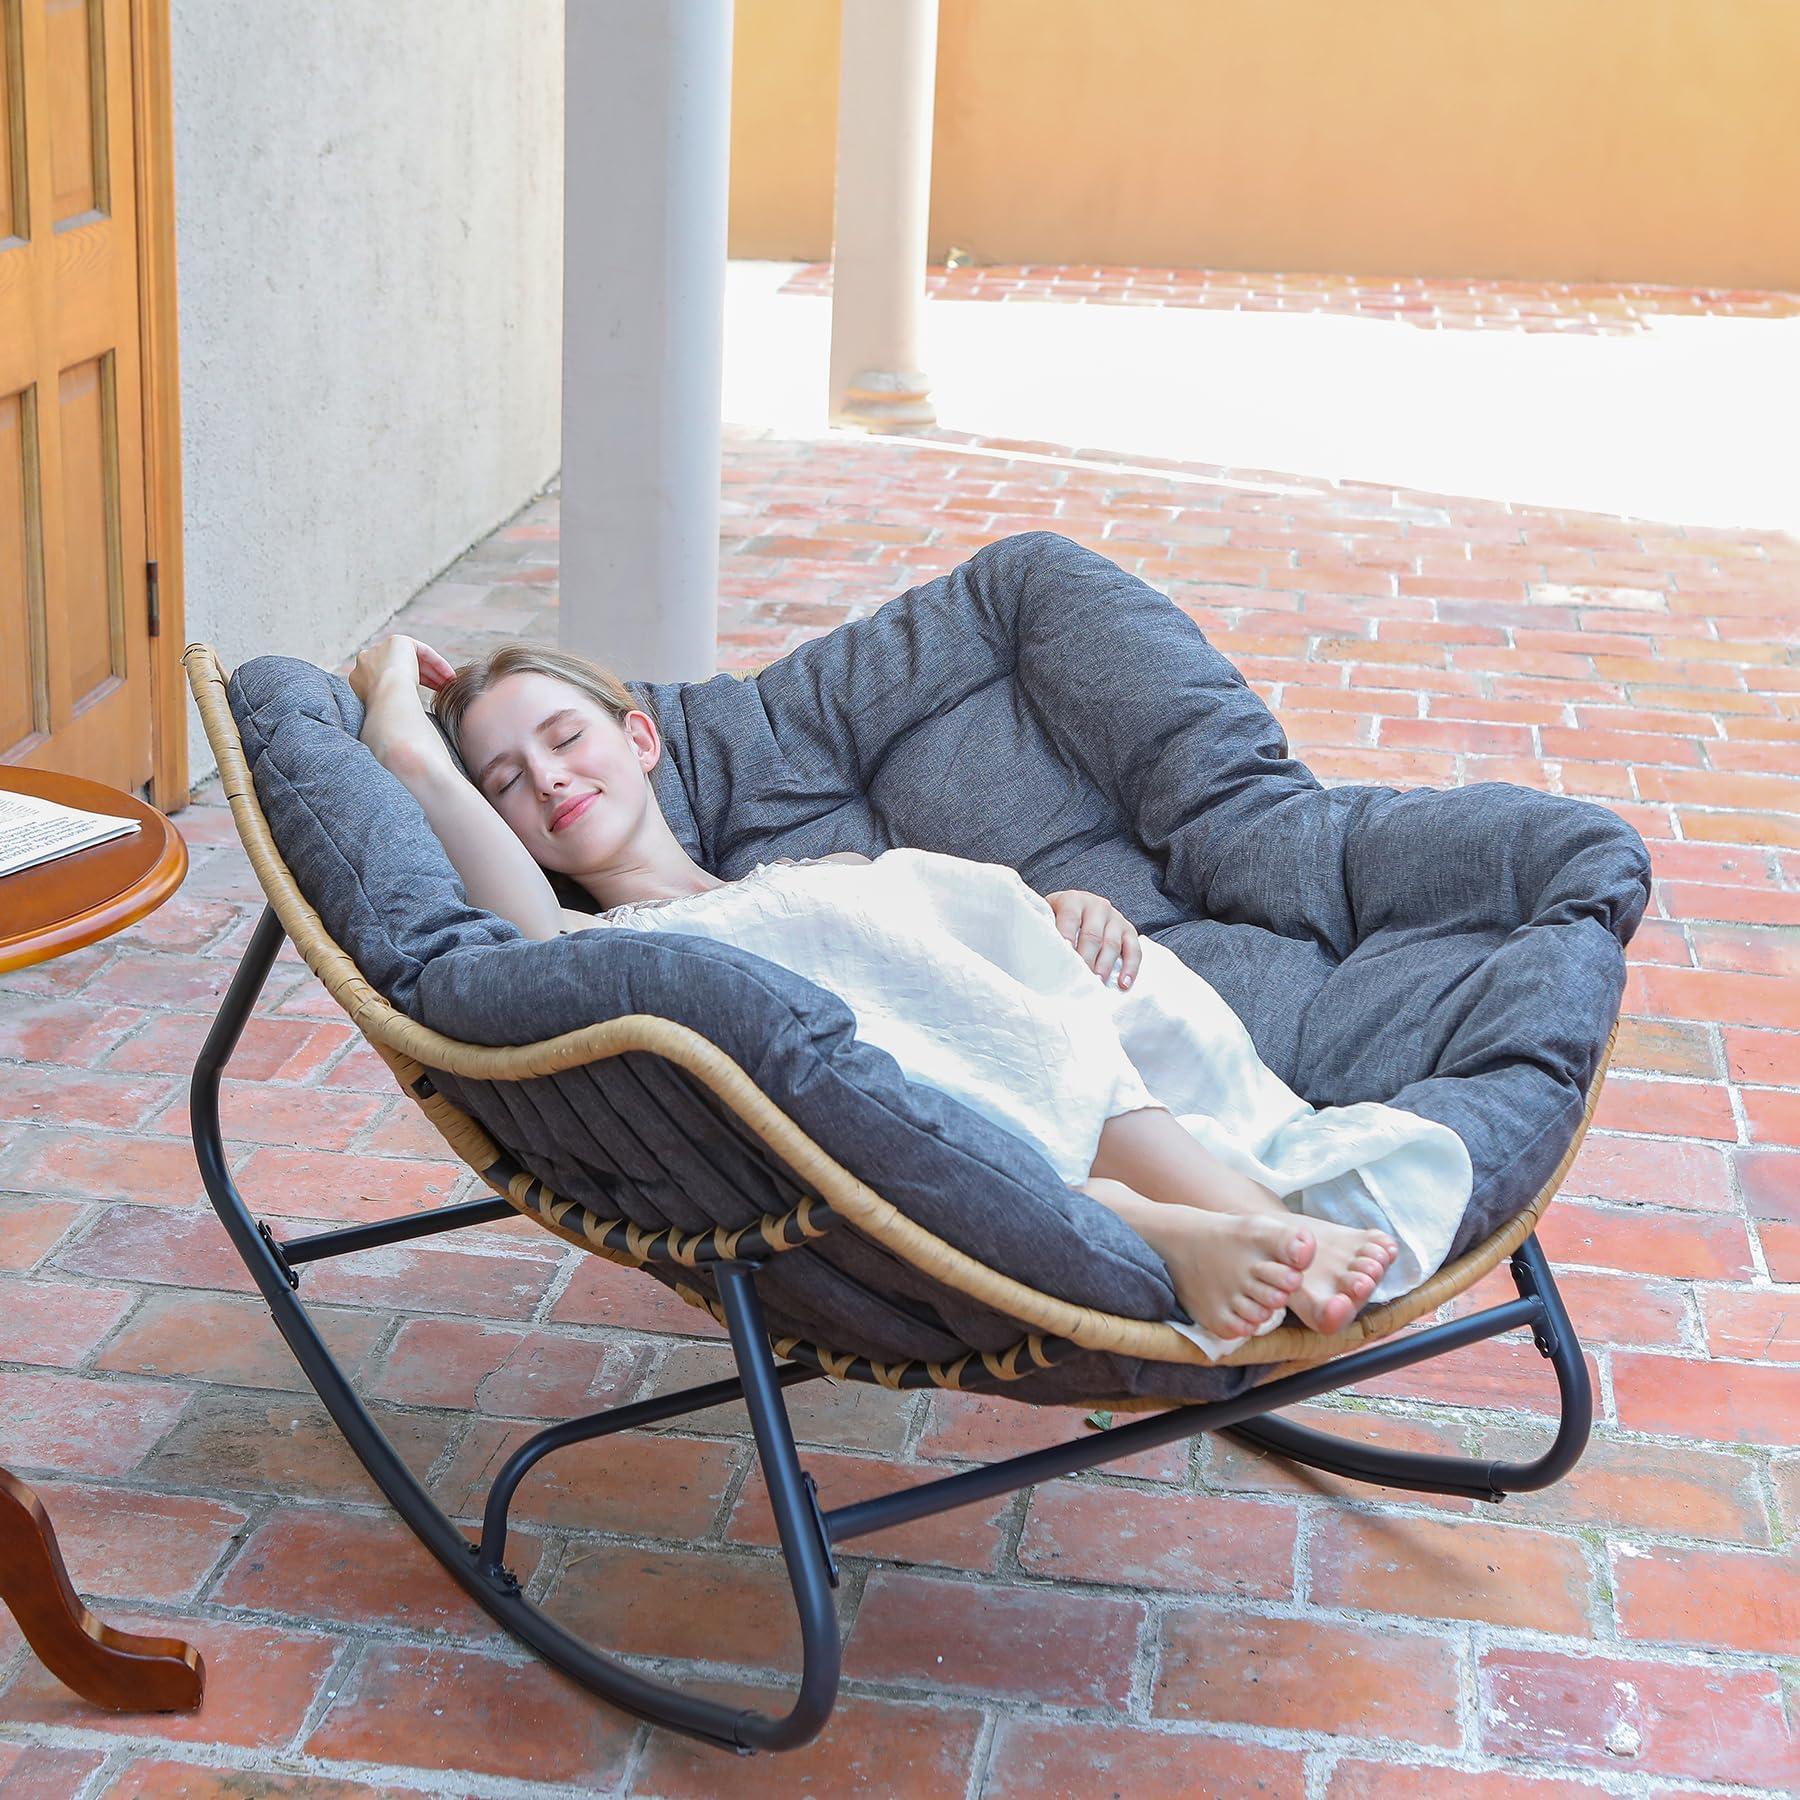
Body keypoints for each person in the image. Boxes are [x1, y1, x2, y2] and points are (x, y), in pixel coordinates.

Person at [350, 633, 1471, 1350]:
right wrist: (394, 702)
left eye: (566, 738)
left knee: (1010, 974)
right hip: (894, 1103)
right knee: (941, 1019)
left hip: (1034, 1032)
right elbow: (413, 773)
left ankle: (1158, 1213)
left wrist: (1058, 912)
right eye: (505, 780)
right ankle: (1242, 1225)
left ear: (640, 739)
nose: (548, 777)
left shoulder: (810, 873)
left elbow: (954, 933)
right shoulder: (601, 946)